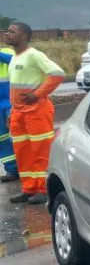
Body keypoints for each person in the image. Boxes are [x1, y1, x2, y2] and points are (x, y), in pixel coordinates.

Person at [5, 22, 65, 204]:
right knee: (23, 152)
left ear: (23, 36)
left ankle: (43, 189)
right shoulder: (15, 58)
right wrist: (13, 110)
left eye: (11, 32)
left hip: (36, 111)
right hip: (19, 113)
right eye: (7, 31)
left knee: (40, 151)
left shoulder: (34, 55)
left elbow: (58, 73)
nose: (7, 34)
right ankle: (29, 188)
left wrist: (37, 94)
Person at [0, 43, 18, 183]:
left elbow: (17, 61)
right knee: (3, 139)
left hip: (12, 104)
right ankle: (11, 170)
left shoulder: (6, 52)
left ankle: (27, 171)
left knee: (19, 137)